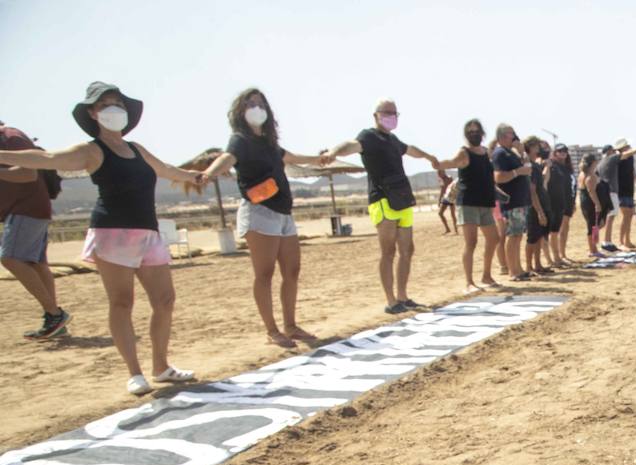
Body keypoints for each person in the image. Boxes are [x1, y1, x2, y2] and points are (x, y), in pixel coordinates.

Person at [0, 82, 200, 394]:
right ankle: (135, 373)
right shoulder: (91, 151)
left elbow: (165, 169)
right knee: (122, 302)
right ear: (93, 113)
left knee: (165, 301)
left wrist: (194, 176)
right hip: (112, 234)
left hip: (148, 233)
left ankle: (161, 367)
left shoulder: (137, 149)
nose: (113, 108)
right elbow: (47, 158)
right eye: (105, 103)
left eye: (117, 103)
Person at [200, 88, 323, 350]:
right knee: (264, 273)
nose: (256, 108)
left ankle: (291, 325)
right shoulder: (239, 141)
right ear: (240, 112)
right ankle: (272, 330)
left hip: (283, 213)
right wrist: (209, 173)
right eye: (250, 104)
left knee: (292, 270)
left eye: (260, 103)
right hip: (259, 213)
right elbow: (227, 159)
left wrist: (320, 159)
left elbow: (293, 158)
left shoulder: (270, 144)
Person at [322, 99, 440, 314]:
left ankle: (403, 296)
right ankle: (391, 300)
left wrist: (428, 156)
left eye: (394, 113)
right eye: (386, 112)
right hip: (383, 199)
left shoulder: (393, 140)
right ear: (375, 115)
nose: (391, 116)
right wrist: (333, 152)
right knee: (388, 251)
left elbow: (410, 149)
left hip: (402, 198)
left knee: (407, 250)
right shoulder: (368, 136)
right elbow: (351, 145)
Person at [0, 119, 67, 340]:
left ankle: (55, 314)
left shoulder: (11, 137)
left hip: (26, 208)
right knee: (37, 263)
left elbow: (28, 174)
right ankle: (54, 321)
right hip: (29, 208)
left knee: (9, 258)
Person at [436, 118, 500, 294]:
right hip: (468, 202)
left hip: (485, 202)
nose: (474, 134)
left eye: (477, 130)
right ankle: (469, 282)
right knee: (471, 242)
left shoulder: (486, 152)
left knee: (494, 238)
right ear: (466, 135)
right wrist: (438, 164)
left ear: (482, 133)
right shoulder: (464, 152)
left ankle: (486, 276)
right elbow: (452, 162)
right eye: (470, 131)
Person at [491, 123, 534, 281]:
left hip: (520, 200)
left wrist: (522, 152)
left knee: (518, 236)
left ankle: (519, 268)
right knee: (512, 235)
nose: (515, 137)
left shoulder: (513, 153)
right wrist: (517, 172)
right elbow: (499, 177)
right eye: (512, 134)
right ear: (502, 136)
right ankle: (512, 271)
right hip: (511, 201)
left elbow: (528, 167)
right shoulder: (500, 153)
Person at [522, 136, 552, 275]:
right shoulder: (530, 166)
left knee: (539, 236)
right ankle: (529, 266)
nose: (539, 148)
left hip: (540, 203)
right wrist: (539, 211)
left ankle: (538, 264)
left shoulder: (535, 165)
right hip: (533, 206)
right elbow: (532, 191)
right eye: (536, 146)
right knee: (532, 237)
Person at [546, 143, 575, 266]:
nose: (563, 152)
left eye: (565, 150)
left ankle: (563, 254)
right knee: (555, 231)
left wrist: (573, 203)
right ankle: (556, 256)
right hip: (556, 202)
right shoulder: (552, 165)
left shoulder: (568, 167)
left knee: (565, 229)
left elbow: (571, 186)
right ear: (555, 152)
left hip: (568, 201)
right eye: (560, 150)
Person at [578, 152, 606, 258]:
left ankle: (593, 249)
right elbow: (591, 191)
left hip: (585, 203)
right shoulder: (590, 175)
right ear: (594, 162)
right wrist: (597, 204)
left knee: (593, 226)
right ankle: (593, 250)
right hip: (590, 204)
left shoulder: (582, 174)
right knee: (593, 227)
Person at [595, 144, 620, 252]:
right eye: (613, 150)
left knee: (605, 219)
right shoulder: (610, 158)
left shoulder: (599, 163)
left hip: (604, 192)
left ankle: (600, 240)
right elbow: (625, 154)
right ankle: (606, 241)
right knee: (610, 217)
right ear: (609, 151)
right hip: (611, 192)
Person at [437, 167, 456, 234]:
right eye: (438, 173)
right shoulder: (440, 179)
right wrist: (439, 200)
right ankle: (447, 229)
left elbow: (454, 188)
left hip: (451, 197)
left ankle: (456, 230)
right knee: (440, 213)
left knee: (453, 214)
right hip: (445, 198)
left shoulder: (449, 178)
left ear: (443, 172)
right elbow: (442, 190)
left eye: (439, 172)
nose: (438, 174)